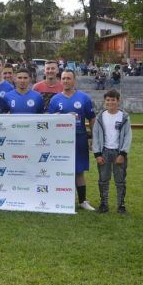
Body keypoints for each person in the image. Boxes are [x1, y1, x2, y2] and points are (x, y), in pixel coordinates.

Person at [48, 69, 96, 211]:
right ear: (60, 80)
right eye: (63, 78)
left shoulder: (84, 98)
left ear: (74, 80)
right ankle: (61, 199)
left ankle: (82, 201)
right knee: (61, 169)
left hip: (79, 137)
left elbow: (91, 118)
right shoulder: (55, 99)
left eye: (69, 78)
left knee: (79, 170)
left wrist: (93, 137)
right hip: (60, 140)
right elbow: (50, 119)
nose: (66, 81)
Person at [92, 89, 132, 214]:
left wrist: (123, 153)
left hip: (118, 153)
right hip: (104, 152)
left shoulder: (124, 117)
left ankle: (121, 205)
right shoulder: (100, 117)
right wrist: (97, 154)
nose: (110, 102)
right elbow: (96, 136)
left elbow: (127, 136)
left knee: (120, 180)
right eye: (108, 100)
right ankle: (104, 204)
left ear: (118, 101)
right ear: (105, 101)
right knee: (103, 180)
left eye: (113, 100)